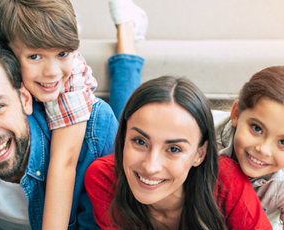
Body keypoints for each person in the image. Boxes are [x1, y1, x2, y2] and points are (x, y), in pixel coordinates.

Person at [0, 0, 115, 229]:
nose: (52, 71)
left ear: (23, 98)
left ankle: (126, 33)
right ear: (10, 50)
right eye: (35, 56)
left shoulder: (74, 87)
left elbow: (65, 163)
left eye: (62, 52)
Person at [85, 76, 272, 229]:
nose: (151, 166)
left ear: (200, 154)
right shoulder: (104, 177)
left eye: (174, 149)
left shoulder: (227, 179)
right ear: (123, 138)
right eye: (140, 141)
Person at [213, 66, 284, 230]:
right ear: (236, 114)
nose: (263, 149)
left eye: (283, 142)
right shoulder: (200, 134)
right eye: (257, 129)